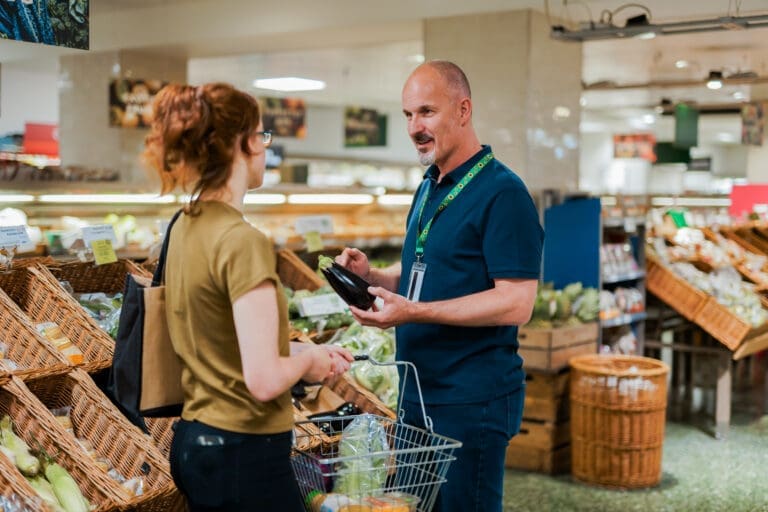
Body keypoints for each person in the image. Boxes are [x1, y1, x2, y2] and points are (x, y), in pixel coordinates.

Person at [336, 61, 544, 512]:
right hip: (418, 393)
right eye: (408, 115)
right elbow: (421, 272)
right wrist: (373, 277)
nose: (415, 127)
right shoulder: (430, 186)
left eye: (426, 112)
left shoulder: (503, 193)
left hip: (472, 399)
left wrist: (415, 313)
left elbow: (516, 302)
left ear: (463, 110)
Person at [143, 82, 354, 511]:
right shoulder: (243, 241)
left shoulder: (182, 226)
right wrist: (310, 361)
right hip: (243, 450)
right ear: (240, 144)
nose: (263, 147)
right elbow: (263, 380)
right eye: (261, 136)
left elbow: (222, 339)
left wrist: (291, 350)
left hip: (194, 440)